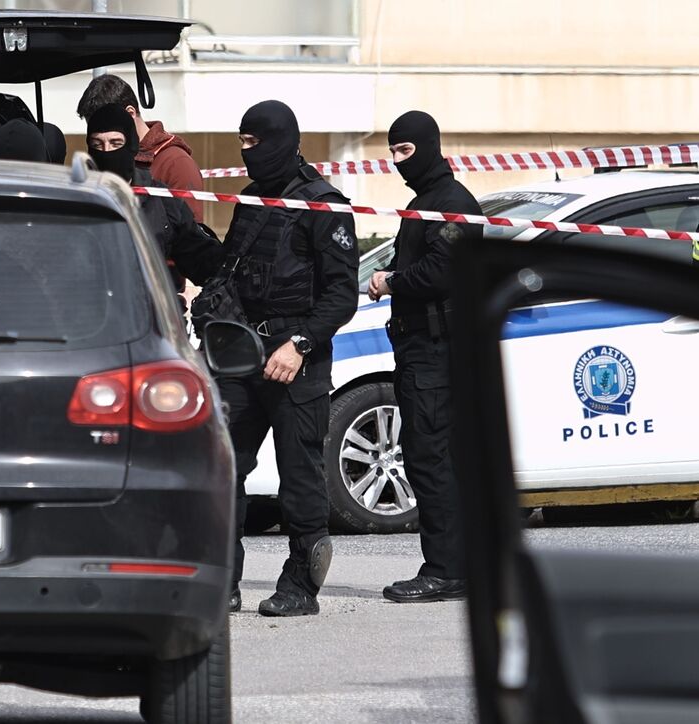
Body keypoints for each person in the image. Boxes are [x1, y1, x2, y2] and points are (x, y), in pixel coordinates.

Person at [214, 100, 359, 615]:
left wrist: (299, 345)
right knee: (221, 466)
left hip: (298, 358)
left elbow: (342, 295)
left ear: (280, 140)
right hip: (244, 355)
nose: (246, 152)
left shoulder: (324, 204)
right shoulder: (251, 200)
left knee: (300, 474)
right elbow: (230, 270)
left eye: (253, 142)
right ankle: (220, 580)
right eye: (242, 142)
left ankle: (300, 585)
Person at [367, 110, 481, 603]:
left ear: (429, 146)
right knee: (435, 458)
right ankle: (457, 566)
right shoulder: (426, 202)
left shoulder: (452, 203)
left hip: (436, 352)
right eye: (392, 151)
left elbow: (441, 271)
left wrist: (391, 281)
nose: (397, 161)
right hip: (422, 350)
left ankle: (445, 570)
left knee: (430, 458)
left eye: (405, 150)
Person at [84, 105, 222, 309]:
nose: (106, 152)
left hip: (151, 317)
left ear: (131, 145)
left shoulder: (162, 200)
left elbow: (203, 260)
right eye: (97, 144)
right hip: (93, 315)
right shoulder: (78, 201)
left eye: (115, 143)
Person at [76, 74, 205, 222]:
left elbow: (190, 228)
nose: (106, 149)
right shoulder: (101, 155)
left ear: (130, 113)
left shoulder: (175, 163)